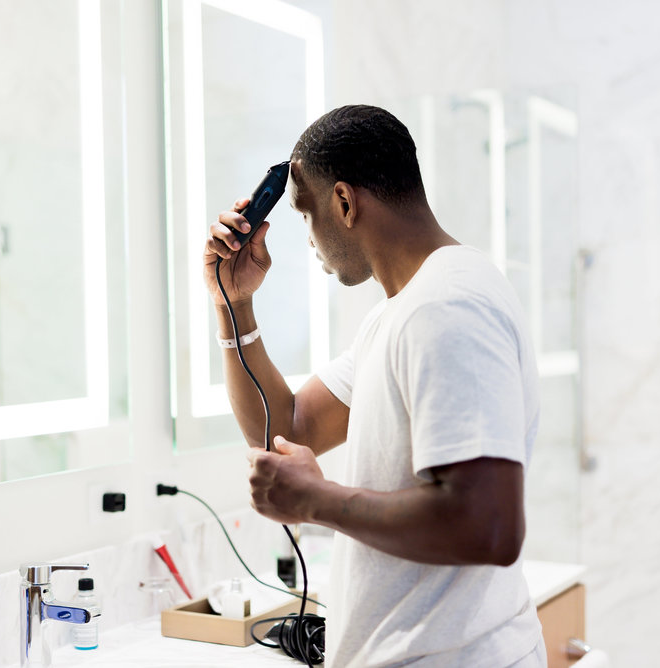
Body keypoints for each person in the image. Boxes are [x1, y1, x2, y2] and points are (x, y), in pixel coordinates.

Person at [204, 105, 545, 667]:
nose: (308, 239)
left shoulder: (447, 306)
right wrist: (234, 304)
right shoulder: (405, 311)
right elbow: (286, 427)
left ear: (344, 201)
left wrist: (318, 500)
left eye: (306, 212)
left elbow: (489, 526)